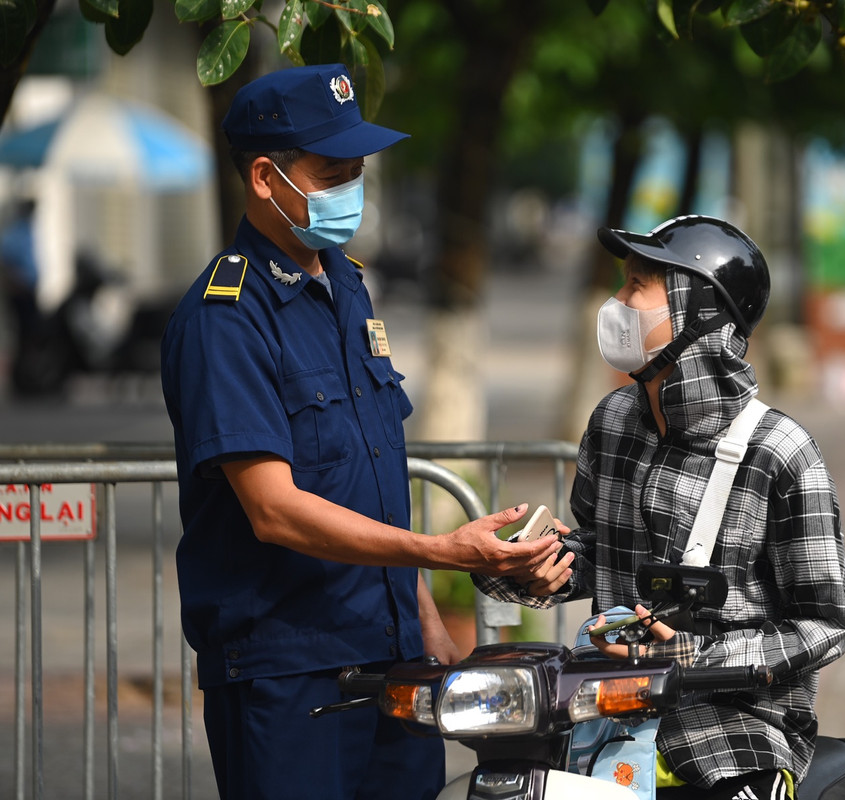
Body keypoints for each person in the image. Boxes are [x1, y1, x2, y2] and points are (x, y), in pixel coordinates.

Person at [160, 64, 562, 800]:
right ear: (264, 177)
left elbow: (371, 474)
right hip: (289, 671)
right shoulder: (226, 316)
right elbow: (273, 509)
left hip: (392, 660)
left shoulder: (345, 283)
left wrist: (423, 617)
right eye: (333, 172)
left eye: (359, 170)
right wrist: (439, 551)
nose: (352, 186)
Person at [474, 215, 845, 800]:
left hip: (732, 736)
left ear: (700, 311)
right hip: (605, 720)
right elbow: (601, 552)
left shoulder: (781, 451)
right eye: (622, 282)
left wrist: (685, 654)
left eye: (637, 286)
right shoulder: (614, 421)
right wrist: (526, 567)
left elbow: (823, 626)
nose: (616, 302)